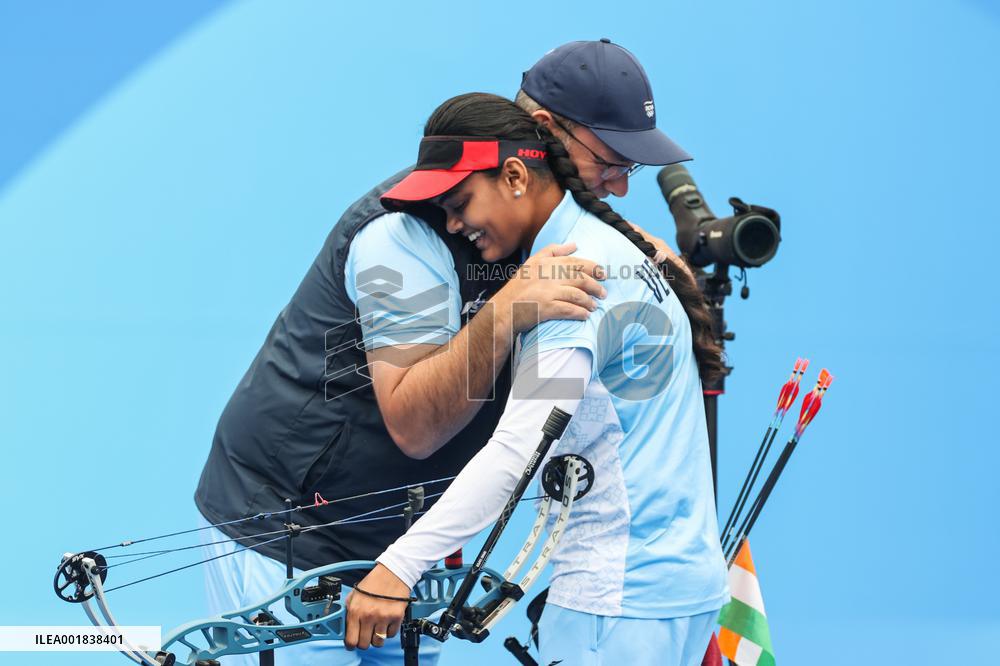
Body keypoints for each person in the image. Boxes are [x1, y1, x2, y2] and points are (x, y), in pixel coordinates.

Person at [194, 39, 691, 666]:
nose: (618, 187)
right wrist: (509, 310)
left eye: (631, 168)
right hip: (289, 534)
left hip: (399, 550)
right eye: (609, 161)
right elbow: (417, 427)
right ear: (539, 139)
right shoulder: (399, 238)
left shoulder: (549, 227)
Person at [343, 93, 729, 666]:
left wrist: (398, 566)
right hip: (679, 594)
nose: (451, 224)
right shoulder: (615, 251)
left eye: (461, 202)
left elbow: (521, 446)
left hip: (616, 603)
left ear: (517, 175)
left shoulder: (572, 278)